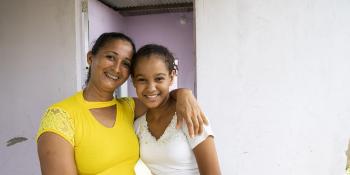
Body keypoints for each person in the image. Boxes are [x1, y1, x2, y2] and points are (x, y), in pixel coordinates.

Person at [36, 33, 207, 175]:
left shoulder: (129, 107)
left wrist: (184, 93)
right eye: (110, 57)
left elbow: (161, 99)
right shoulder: (60, 117)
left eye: (125, 63)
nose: (117, 69)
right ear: (90, 58)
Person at [131, 44, 221, 175]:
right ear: (133, 81)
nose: (151, 87)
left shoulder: (190, 116)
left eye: (159, 78)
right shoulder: (138, 125)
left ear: (171, 77)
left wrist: (184, 92)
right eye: (142, 80)